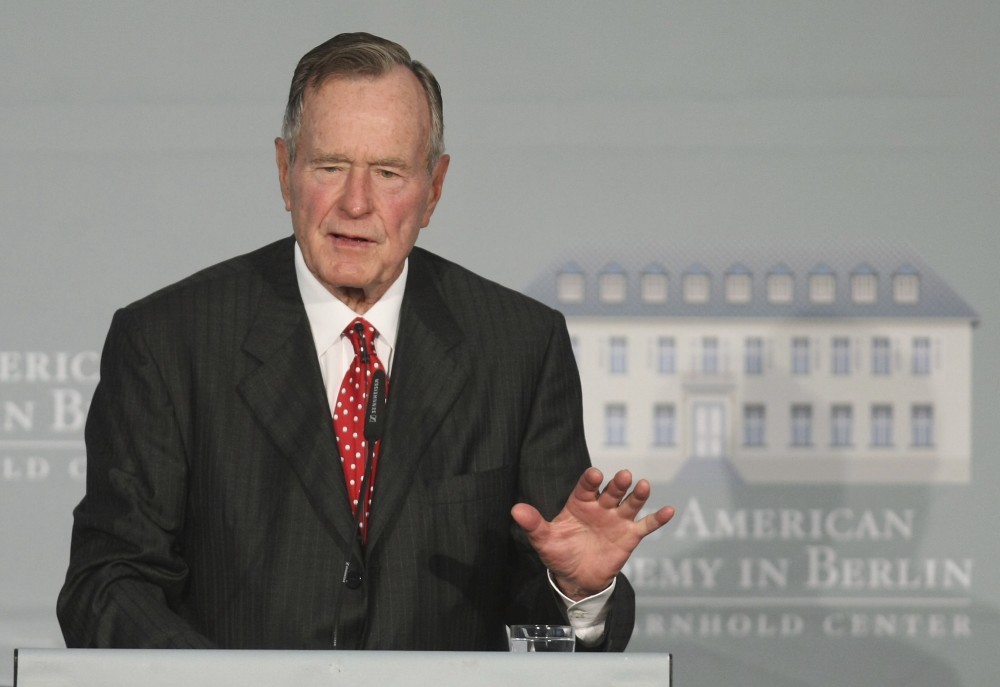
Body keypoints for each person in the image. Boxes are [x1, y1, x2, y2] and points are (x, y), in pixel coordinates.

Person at [57, 32, 674, 652]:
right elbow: (108, 583)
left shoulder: (519, 347)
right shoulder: (169, 341)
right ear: (284, 170)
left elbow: (540, 606)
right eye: (329, 167)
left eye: (387, 172)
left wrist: (577, 591)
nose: (356, 203)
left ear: (433, 188)